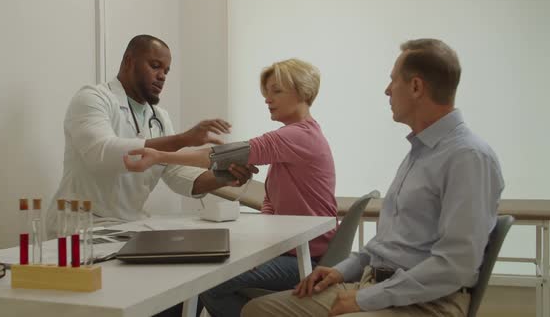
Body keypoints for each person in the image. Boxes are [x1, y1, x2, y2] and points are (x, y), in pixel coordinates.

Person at [241, 39, 505, 317]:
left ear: (416, 87)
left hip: (428, 302)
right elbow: (388, 246)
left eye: (393, 81)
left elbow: (455, 266)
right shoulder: (421, 152)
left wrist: (365, 299)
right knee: (258, 310)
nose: (387, 90)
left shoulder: (468, 157)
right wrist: (340, 271)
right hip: (377, 287)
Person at [124, 58, 338, 317]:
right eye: (266, 92)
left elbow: (221, 155)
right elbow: (271, 205)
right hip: (296, 250)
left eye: (276, 91)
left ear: (303, 92)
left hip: (305, 258)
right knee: (210, 270)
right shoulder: (302, 136)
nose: (268, 99)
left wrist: (160, 156)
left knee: (210, 283)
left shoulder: (297, 136)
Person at [46, 34, 256, 238]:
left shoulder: (160, 118)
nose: (162, 76)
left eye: (166, 70)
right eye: (155, 66)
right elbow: (102, 153)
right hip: (80, 228)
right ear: (129, 61)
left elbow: (177, 175)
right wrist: (182, 140)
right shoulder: (92, 99)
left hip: (127, 226)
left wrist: (226, 175)